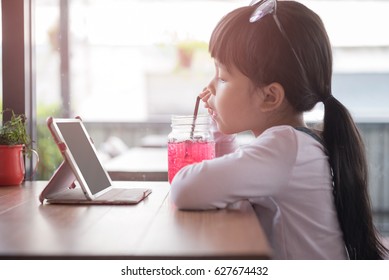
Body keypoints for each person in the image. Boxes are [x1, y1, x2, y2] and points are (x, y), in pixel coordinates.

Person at [170, 0, 388, 260]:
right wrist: (221, 125)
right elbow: (226, 174)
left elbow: (186, 189)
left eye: (223, 77)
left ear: (270, 97)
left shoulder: (284, 147)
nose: (210, 86)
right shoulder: (296, 143)